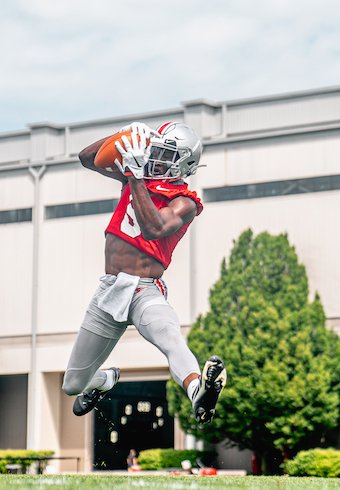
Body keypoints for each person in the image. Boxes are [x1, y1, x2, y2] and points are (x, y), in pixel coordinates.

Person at [62, 122, 227, 424]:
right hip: (109, 290)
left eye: (165, 154)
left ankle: (198, 393)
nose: (155, 158)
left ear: (182, 165)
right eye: (155, 151)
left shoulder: (185, 201)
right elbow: (87, 158)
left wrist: (134, 176)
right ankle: (105, 380)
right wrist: (120, 134)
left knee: (169, 337)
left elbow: (154, 228)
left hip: (143, 289)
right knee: (72, 385)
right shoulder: (135, 176)